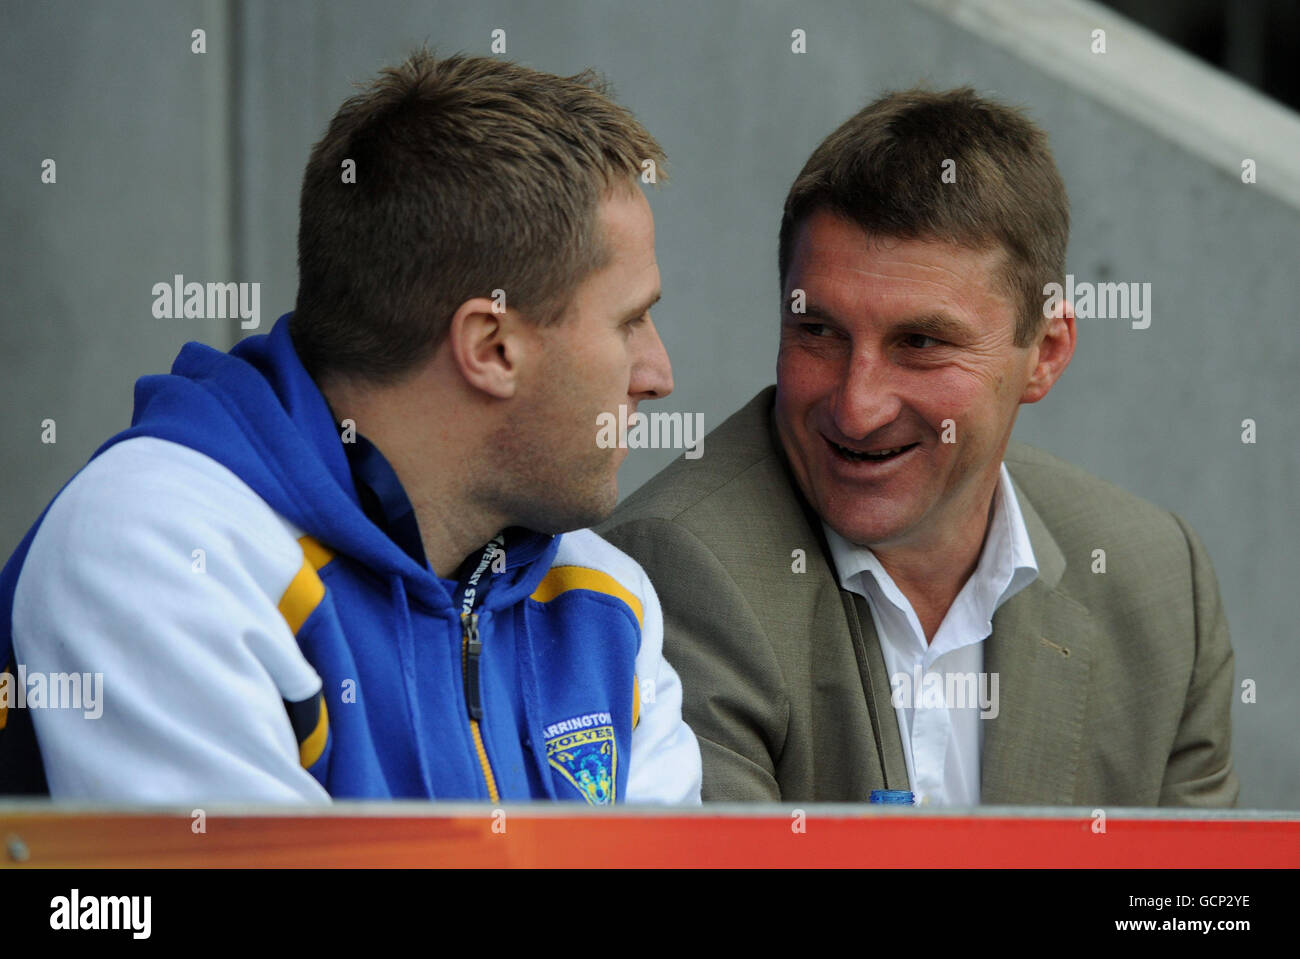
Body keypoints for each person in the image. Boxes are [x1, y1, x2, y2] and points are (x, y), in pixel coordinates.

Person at [0, 50, 701, 805]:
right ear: (491, 348)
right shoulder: (156, 551)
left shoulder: (602, 598)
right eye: (630, 322)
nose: (659, 375)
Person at [599, 88, 1238, 806]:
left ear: (1047, 353)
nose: (857, 406)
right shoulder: (668, 571)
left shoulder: (1156, 581)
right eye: (819, 332)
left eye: (921, 343)